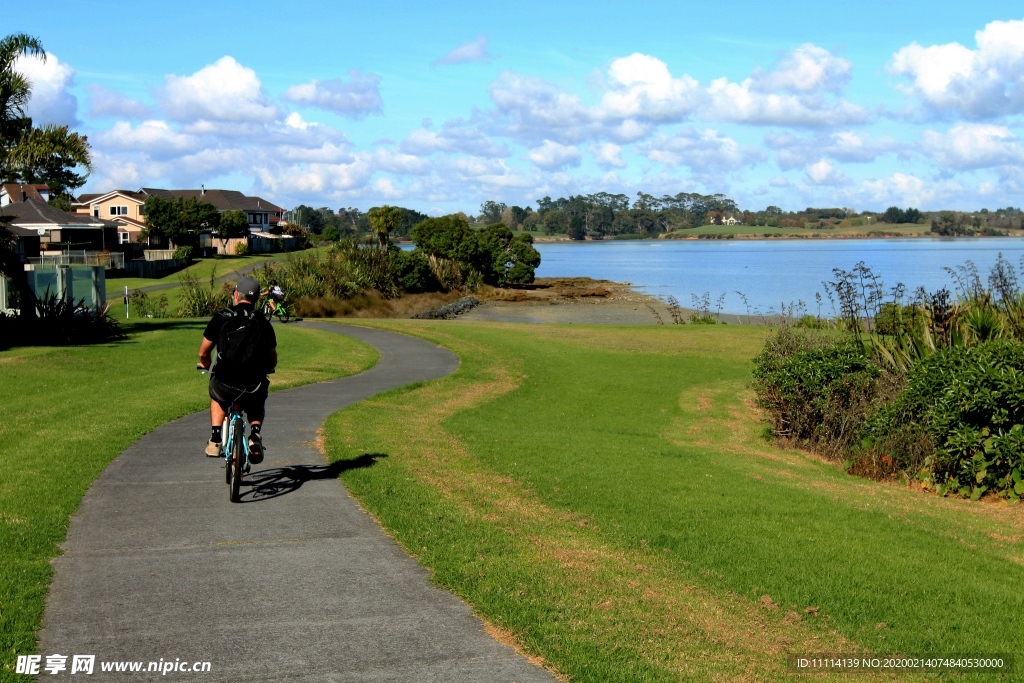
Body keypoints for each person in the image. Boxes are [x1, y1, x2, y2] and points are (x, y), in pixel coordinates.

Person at [197, 276, 277, 463]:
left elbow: (203, 353)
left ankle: (215, 439)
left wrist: (207, 366)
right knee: (258, 396)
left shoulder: (221, 318)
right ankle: (255, 434)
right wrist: (269, 368)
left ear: (236, 295)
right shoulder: (262, 322)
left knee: (217, 395)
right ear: (256, 298)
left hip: (225, 380)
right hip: (252, 383)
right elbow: (272, 357)